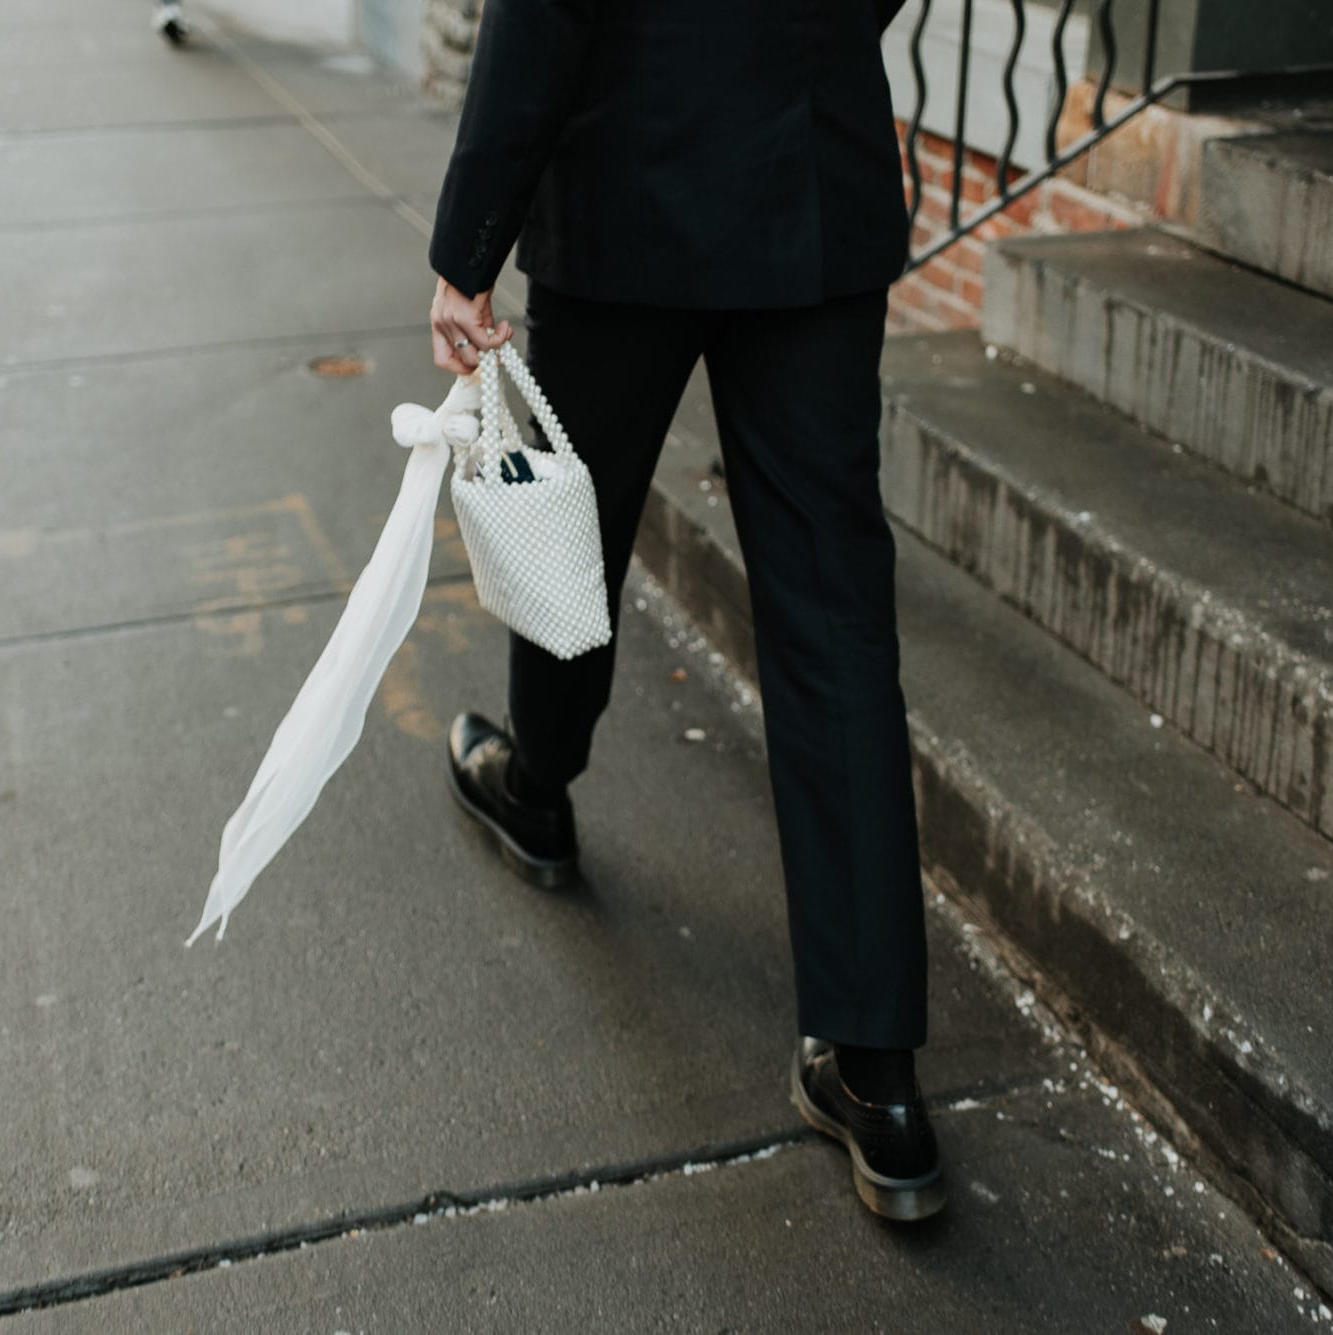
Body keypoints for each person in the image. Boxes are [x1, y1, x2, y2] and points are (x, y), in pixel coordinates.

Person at [427, 0, 942, 1222]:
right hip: (811, 180)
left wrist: (467, 245)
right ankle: (877, 1078)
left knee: (570, 536)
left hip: (632, 187)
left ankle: (538, 785)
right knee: (832, 617)